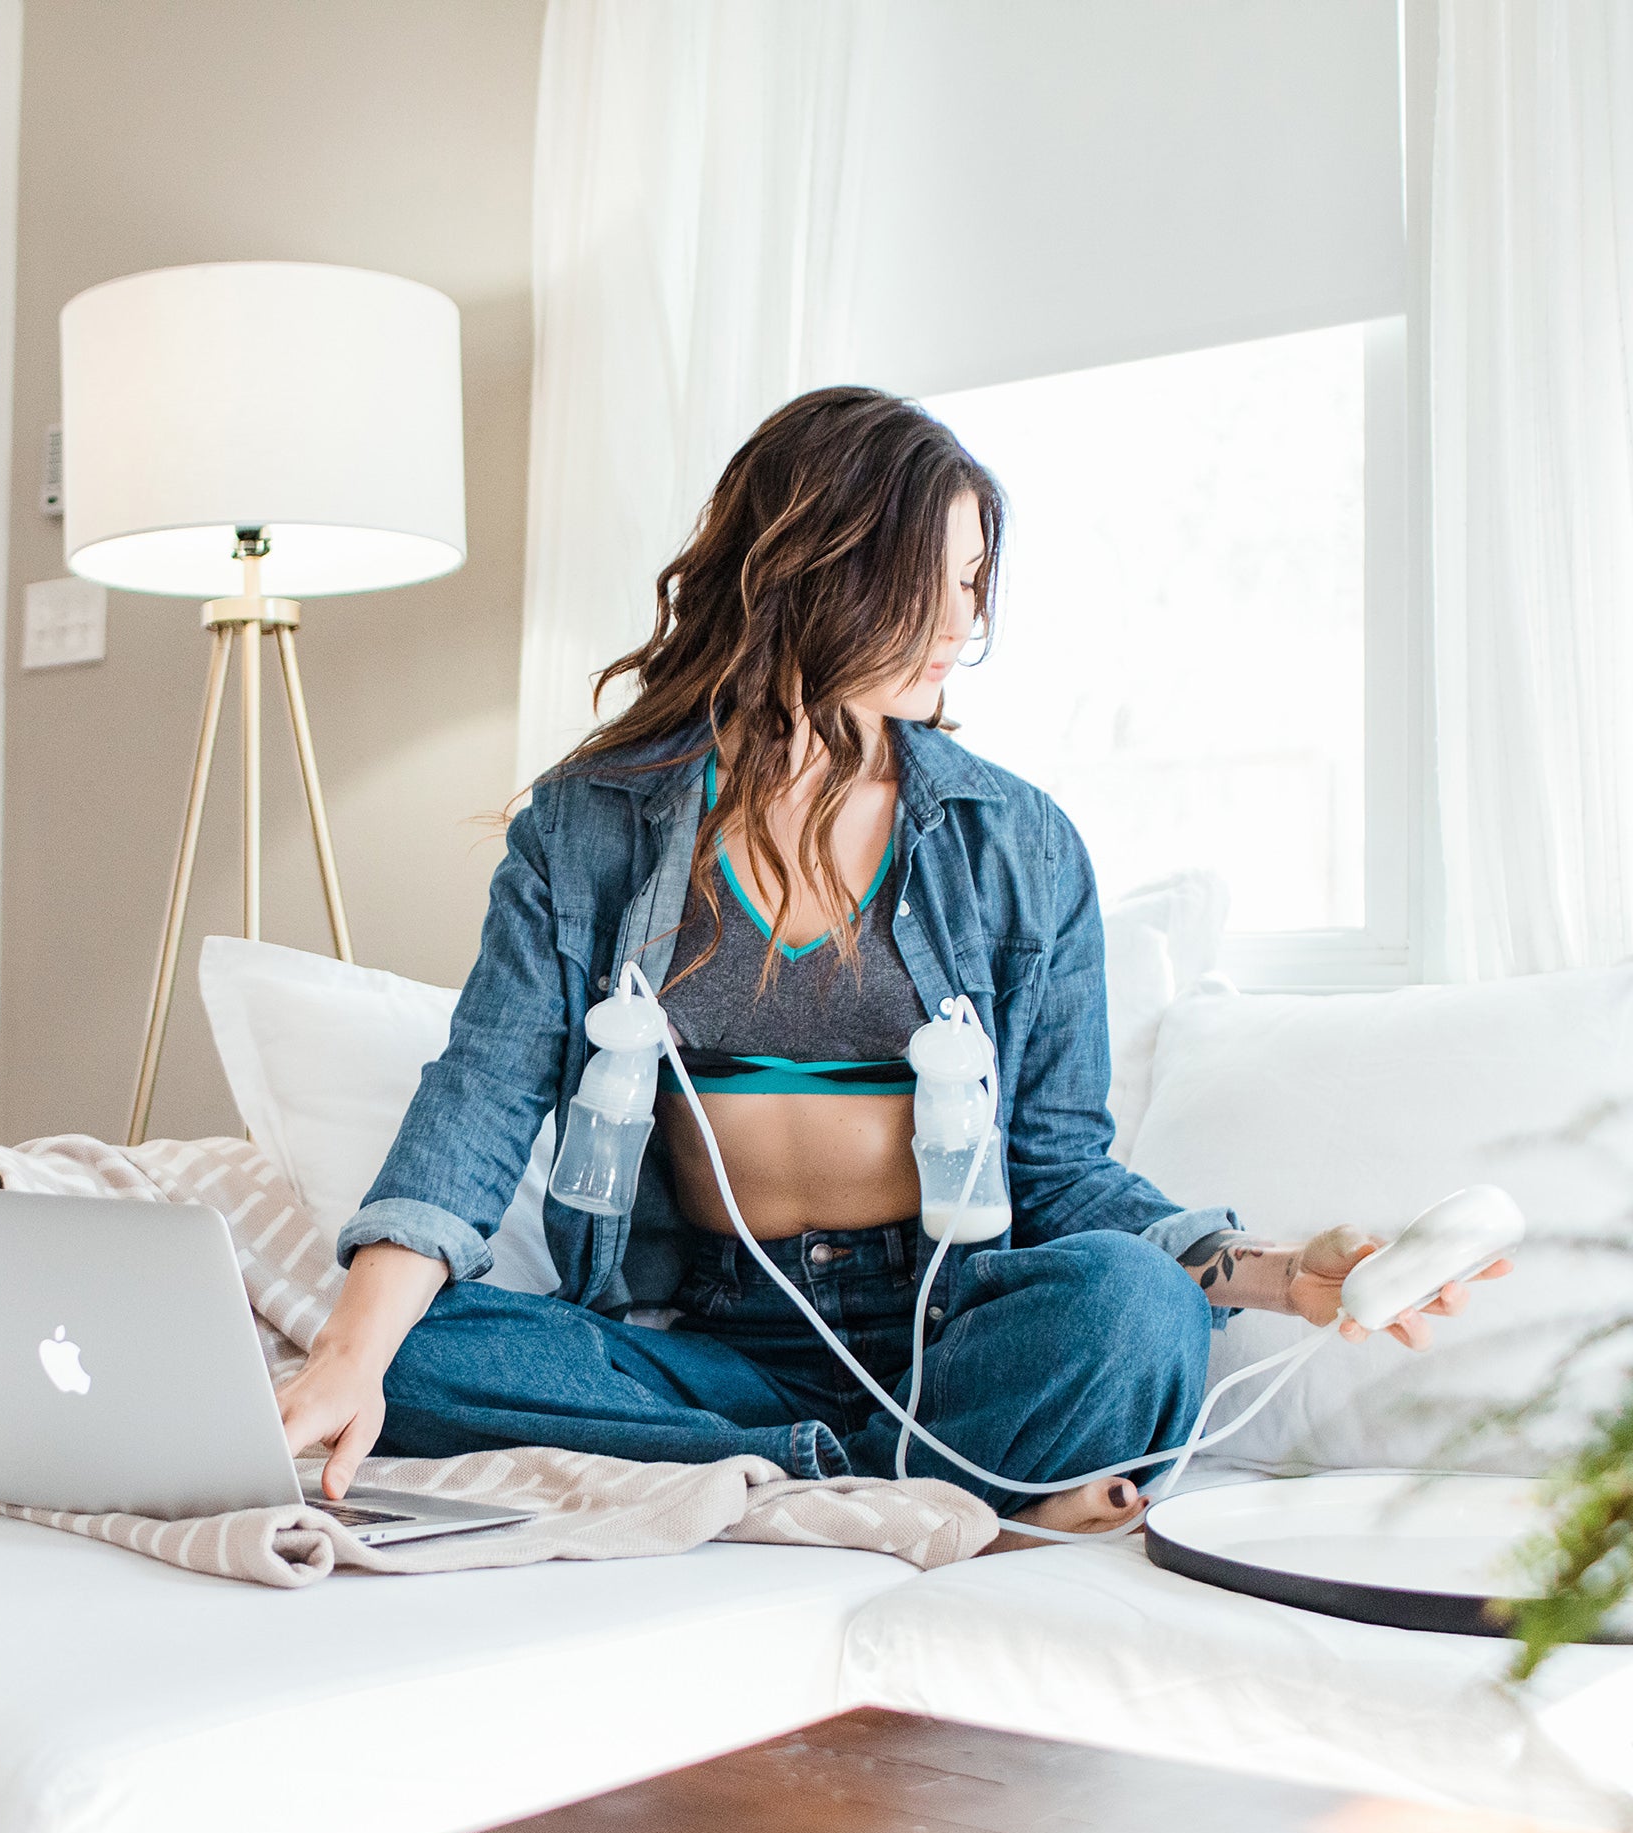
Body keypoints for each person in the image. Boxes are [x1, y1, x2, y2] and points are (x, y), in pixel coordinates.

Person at [278, 385, 1506, 1548]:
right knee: (413, 1336)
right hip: (703, 1335)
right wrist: (349, 1352)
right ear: (824, 570)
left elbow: (1061, 1174)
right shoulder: (589, 826)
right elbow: (483, 1091)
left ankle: (794, 1470)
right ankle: (910, 1477)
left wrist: (1288, 1275)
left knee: (1131, 1307)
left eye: (977, 585)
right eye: (941, 584)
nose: (968, 626)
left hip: (942, 1326)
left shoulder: (1012, 843)